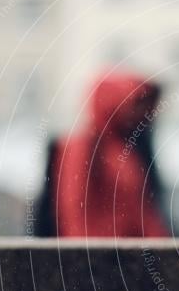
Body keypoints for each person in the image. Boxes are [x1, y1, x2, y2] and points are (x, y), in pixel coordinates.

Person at [35, 70, 169, 237]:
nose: (141, 115)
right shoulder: (83, 147)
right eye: (135, 105)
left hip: (126, 254)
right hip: (102, 255)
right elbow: (75, 212)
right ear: (112, 103)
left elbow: (144, 213)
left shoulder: (130, 149)